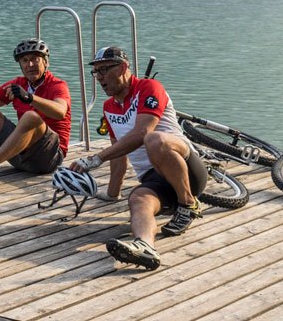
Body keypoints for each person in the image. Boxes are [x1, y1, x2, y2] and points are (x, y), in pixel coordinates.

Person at [68, 46, 207, 271]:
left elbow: (143, 133)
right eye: (96, 72)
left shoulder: (149, 88)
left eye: (104, 70)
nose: (100, 77)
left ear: (123, 67)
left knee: (153, 140)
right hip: (154, 178)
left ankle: (188, 204)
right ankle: (145, 246)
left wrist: (95, 159)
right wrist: (113, 193)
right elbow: (118, 154)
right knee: (138, 199)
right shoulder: (108, 107)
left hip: (188, 171)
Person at [0, 38, 71, 186]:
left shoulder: (58, 85)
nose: (30, 65)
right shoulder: (17, 84)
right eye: (24, 60)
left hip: (49, 158)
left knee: (31, 117)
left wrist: (30, 98)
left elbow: (60, 111)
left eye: (35, 59)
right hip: (19, 154)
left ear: (45, 62)